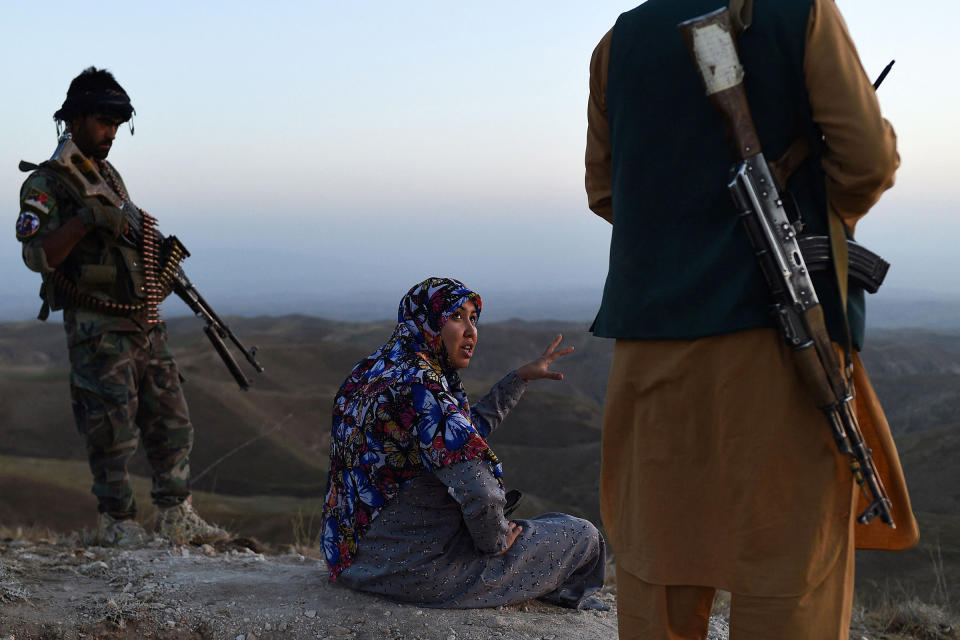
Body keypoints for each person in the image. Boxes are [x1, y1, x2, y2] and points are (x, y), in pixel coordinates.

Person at [585, 1, 918, 638]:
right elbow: (868, 162)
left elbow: (607, 194)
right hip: (778, 353)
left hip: (649, 357)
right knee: (790, 584)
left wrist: (682, 240)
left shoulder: (618, 42)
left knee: (658, 577)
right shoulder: (803, 12)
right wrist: (798, 223)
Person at [15, 67, 228, 547]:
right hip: (98, 328)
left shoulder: (107, 175)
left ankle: (176, 515)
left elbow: (127, 240)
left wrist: (160, 266)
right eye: (103, 122)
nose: (111, 133)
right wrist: (86, 221)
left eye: (118, 124)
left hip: (142, 323)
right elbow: (37, 256)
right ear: (74, 119)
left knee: (172, 420)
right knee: (110, 429)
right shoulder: (50, 183)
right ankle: (117, 523)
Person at [320, 277, 607, 609]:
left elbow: (460, 436)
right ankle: (567, 598)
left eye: (474, 318)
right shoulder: (423, 388)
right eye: (457, 316)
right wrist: (496, 540)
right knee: (581, 535)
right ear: (428, 321)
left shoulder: (370, 374)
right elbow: (481, 492)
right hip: (421, 573)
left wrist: (519, 379)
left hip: (355, 565)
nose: (471, 331)